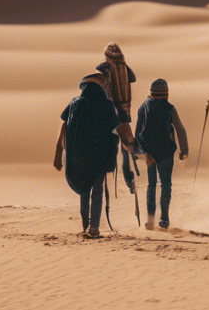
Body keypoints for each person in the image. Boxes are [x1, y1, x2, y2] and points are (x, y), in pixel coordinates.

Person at [55, 67, 135, 237]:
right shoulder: (105, 104)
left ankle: (86, 226)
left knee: (84, 190)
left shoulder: (74, 102)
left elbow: (64, 124)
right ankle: (93, 229)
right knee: (97, 190)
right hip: (99, 154)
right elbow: (116, 126)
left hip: (78, 155)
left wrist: (59, 150)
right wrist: (127, 143)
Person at [135, 79, 188, 230]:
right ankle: (164, 219)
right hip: (166, 153)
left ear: (151, 93)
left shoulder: (143, 107)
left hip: (149, 154)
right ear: (166, 93)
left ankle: (150, 220)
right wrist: (184, 150)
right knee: (165, 184)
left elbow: (137, 132)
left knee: (151, 185)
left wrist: (140, 152)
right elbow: (181, 130)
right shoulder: (170, 108)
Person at [98, 43, 138, 193]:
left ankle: (105, 177)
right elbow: (132, 79)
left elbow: (102, 86)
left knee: (108, 144)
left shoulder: (105, 68)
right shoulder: (125, 68)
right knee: (126, 146)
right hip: (124, 112)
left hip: (110, 113)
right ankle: (131, 178)